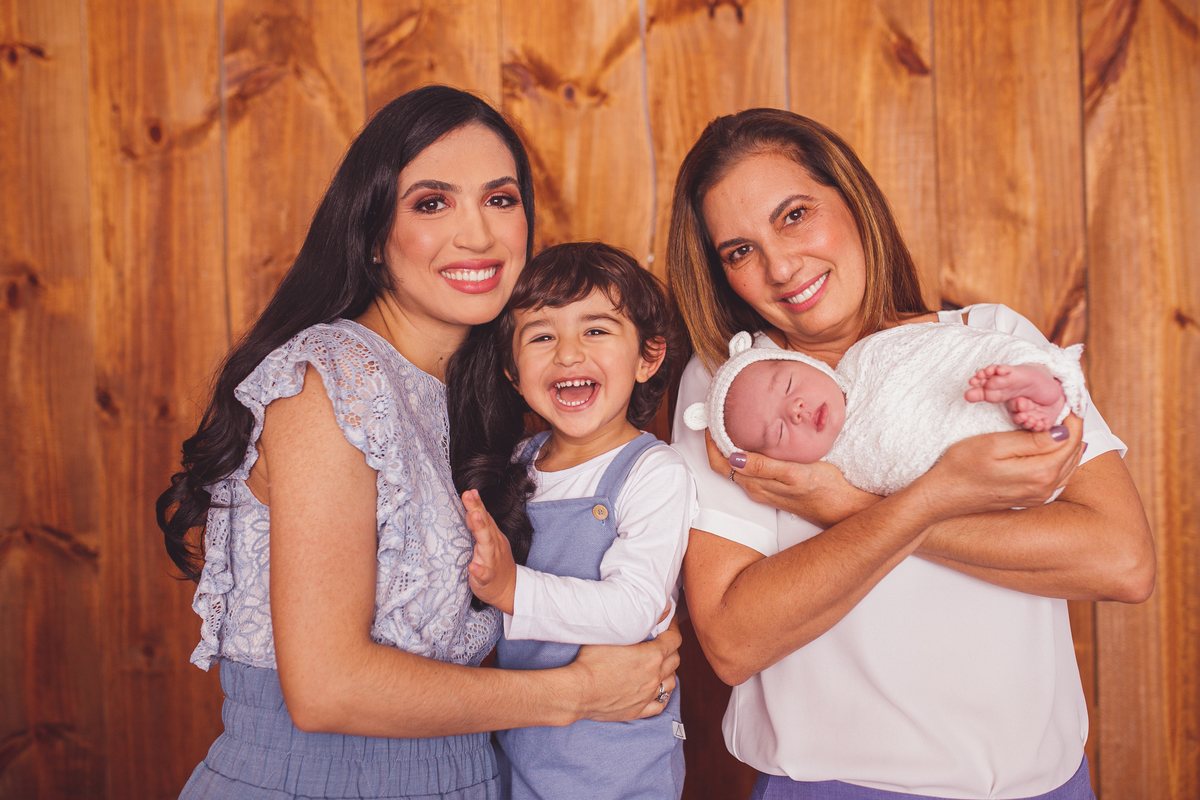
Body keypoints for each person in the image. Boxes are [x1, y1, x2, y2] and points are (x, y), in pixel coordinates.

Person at [155, 85, 680, 800]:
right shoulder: (329, 382)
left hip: (474, 776)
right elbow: (327, 690)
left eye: (500, 200)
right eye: (432, 203)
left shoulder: (495, 404)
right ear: (373, 235)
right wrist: (582, 691)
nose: (479, 235)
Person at [666, 108, 1155, 800]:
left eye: (795, 215)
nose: (779, 266)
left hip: (1044, 785)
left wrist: (852, 506)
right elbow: (734, 640)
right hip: (836, 786)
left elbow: (1123, 561)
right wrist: (932, 497)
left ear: (854, 201)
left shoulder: (986, 344)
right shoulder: (735, 394)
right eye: (738, 251)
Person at [447, 242, 695, 800]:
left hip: (615, 761)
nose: (567, 354)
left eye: (597, 331)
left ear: (648, 357)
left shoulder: (653, 472)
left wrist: (514, 589)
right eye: (541, 336)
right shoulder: (517, 464)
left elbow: (635, 609)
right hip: (521, 743)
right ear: (513, 371)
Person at [684, 322, 1088, 496]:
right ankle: (1031, 403)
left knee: (991, 373)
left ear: (810, 364)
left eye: (789, 385)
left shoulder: (869, 357)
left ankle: (1034, 381)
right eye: (778, 434)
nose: (797, 410)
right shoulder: (837, 473)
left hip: (971, 386)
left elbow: (939, 350)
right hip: (986, 463)